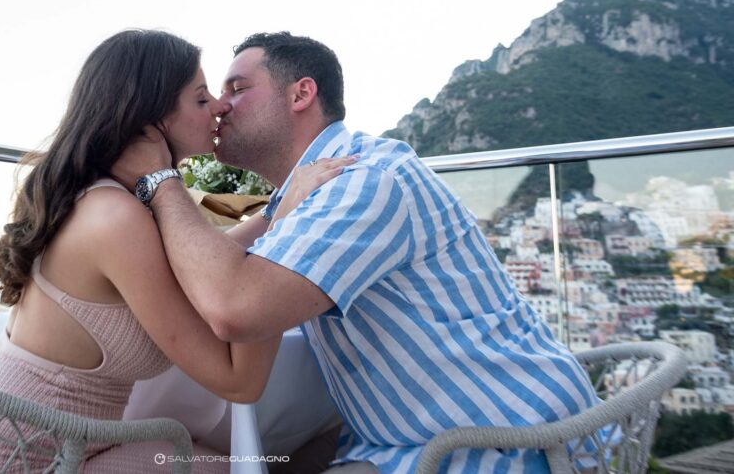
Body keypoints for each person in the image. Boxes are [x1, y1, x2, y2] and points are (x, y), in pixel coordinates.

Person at [112, 32, 601, 474]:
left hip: (504, 445)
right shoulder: (318, 189)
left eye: (237, 89)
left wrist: (159, 179)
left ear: (301, 94)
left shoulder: (362, 181)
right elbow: (216, 265)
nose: (220, 106)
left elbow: (236, 308)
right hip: (413, 438)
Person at [0, 29, 349, 473]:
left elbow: (188, 271)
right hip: (19, 463)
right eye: (199, 98)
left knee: (242, 459)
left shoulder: (105, 198)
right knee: (246, 465)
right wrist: (289, 228)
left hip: (54, 446)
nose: (217, 107)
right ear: (149, 121)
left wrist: (272, 214)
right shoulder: (115, 219)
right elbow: (240, 381)